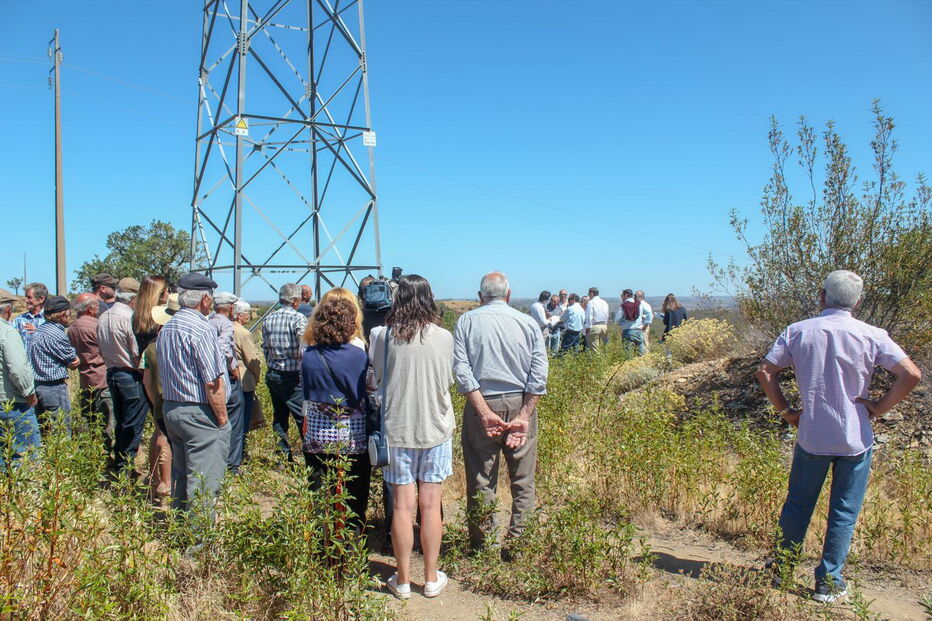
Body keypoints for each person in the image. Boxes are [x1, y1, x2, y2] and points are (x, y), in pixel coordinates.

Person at [756, 270, 921, 603]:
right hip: (854, 436)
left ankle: (782, 570)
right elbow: (911, 374)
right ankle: (828, 583)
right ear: (857, 301)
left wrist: (788, 411)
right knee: (844, 511)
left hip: (812, 434)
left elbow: (765, 371)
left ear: (822, 296)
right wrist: (878, 407)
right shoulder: (873, 334)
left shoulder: (797, 331)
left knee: (798, 504)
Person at [370, 275, 455, 600]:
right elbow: (446, 377)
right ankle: (431, 578)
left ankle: (403, 580)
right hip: (435, 428)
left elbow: (377, 377)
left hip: (397, 430)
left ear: (396, 300)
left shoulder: (381, 336)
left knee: (403, 508)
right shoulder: (444, 336)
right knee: (431, 505)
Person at [453, 272, 548, 557]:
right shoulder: (528, 323)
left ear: (481, 296)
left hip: (482, 401)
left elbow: (461, 370)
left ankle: (485, 546)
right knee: (523, 480)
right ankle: (519, 545)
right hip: (520, 400)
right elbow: (539, 373)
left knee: (482, 479)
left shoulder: (467, 321)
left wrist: (482, 411)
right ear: (508, 295)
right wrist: (524, 415)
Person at [156, 272, 231, 525]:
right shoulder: (202, 328)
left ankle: (181, 531)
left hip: (173, 409)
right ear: (205, 300)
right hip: (198, 413)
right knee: (203, 482)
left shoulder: (168, 327)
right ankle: (199, 546)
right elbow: (213, 382)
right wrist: (222, 419)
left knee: (181, 477)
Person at [300, 295, 371, 536]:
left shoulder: (308, 356)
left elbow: (307, 392)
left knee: (319, 493)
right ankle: (352, 539)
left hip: (317, 434)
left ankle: (322, 542)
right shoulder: (359, 355)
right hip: (353, 435)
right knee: (355, 493)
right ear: (351, 322)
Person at [98, 277, 149, 472]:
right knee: (133, 423)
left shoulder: (104, 316)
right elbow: (136, 353)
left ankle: (118, 463)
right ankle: (125, 468)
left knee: (120, 421)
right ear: (133, 300)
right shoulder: (129, 318)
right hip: (130, 375)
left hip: (111, 373)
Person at [262, 283, 308, 462]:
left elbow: (265, 348)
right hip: (293, 376)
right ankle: (310, 457)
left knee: (279, 417)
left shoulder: (268, 319)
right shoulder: (298, 319)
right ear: (295, 300)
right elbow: (304, 348)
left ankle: (282, 457)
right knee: (302, 418)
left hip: (274, 373)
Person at [67, 293, 115, 455]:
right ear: (90, 309)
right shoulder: (97, 326)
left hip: (85, 379)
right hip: (102, 378)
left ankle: (89, 455)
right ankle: (109, 456)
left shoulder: (72, 328)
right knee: (108, 422)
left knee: (88, 421)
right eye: (96, 306)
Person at [0, 294, 40, 468]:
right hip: (11, 403)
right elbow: (17, 368)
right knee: (25, 457)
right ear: (8, 310)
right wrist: (29, 392)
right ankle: (21, 495)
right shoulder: (7, 331)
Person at [29, 295, 79, 433]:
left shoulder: (39, 330)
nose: (70, 316)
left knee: (44, 430)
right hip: (53, 388)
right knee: (61, 430)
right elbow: (73, 361)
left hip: (38, 386)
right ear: (62, 314)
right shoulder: (57, 334)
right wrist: (75, 360)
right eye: (68, 313)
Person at [142, 297, 175, 499]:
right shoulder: (174, 342)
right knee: (166, 441)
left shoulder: (151, 346)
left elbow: (145, 377)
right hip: (172, 400)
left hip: (156, 397)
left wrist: (153, 399)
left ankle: (155, 478)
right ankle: (166, 481)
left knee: (157, 436)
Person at [210, 292, 245, 473]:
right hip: (227, 378)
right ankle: (232, 465)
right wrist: (233, 366)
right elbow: (224, 348)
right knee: (235, 422)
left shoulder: (209, 320)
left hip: (212, 378)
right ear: (230, 307)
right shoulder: (225, 324)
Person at [232, 300, 261, 450]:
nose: (249, 316)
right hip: (245, 382)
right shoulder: (244, 334)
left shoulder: (226, 328)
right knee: (243, 420)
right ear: (239, 315)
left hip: (230, 381)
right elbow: (253, 361)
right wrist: (257, 377)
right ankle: (240, 451)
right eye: (247, 313)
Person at [132, 275, 169, 353]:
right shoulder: (162, 319)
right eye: (168, 291)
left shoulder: (135, 317)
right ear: (160, 295)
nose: (169, 294)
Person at [13, 282, 47, 353]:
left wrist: (38, 332)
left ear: (41, 299)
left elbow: (57, 341)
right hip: (24, 363)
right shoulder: (19, 320)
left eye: (29, 297)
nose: (26, 300)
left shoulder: (49, 319)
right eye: (26, 297)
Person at [616, 289, 649, 356]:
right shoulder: (639, 304)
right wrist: (645, 324)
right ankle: (641, 366)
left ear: (626, 295)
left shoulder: (623, 305)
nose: (621, 297)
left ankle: (629, 365)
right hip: (639, 331)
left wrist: (622, 323)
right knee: (640, 354)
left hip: (628, 331)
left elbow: (617, 320)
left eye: (622, 295)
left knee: (628, 355)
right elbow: (647, 314)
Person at [583, 287, 609, 351]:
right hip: (604, 326)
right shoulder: (604, 302)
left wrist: (588, 328)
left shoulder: (591, 302)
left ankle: (597, 360)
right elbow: (607, 315)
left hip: (595, 326)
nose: (588, 295)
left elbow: (589, 316)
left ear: (591, 293)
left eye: (589, 293)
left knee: (594, 349)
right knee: (604, 347)